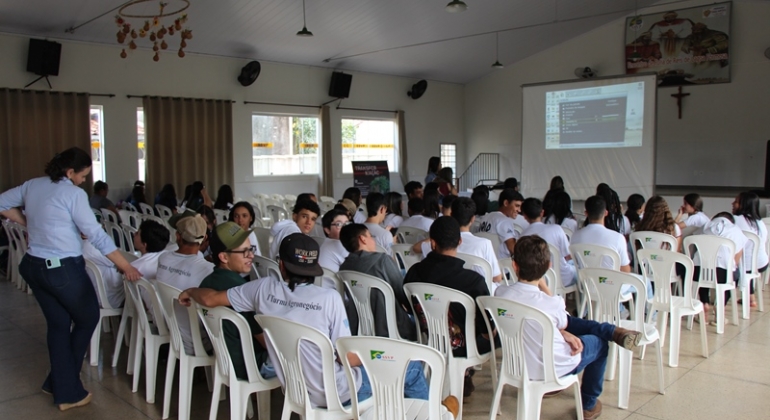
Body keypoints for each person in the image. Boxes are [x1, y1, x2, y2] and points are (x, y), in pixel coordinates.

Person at [178, 233, 433, 409]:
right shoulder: (328, 299)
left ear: (280, 264)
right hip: (338, 391)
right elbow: (346, 357)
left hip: (295, 387)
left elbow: (210, 299)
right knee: (410, 367)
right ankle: (430, 412)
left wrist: (190, 292)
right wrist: (383, 351)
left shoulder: (262, 289)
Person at [0, 147, 141, 411]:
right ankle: (67, 391)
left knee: (58, 324)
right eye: (83, 175)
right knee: (88, 317)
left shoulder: (33, 185)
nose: (84, 180)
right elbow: (97, 236)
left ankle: (57, 382)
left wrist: (28, 224)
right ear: (70, 172)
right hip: (62, 269)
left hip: (33, 267)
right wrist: (125, 266)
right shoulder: (73, 194)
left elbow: (2, 203)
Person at [495, 235, 642, 420]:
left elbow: (555, 320)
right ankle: (589, 403)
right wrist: (543, 285)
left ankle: (613, 331)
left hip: (517, 365)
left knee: (571, 323)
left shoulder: (499, 294)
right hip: (554, 367)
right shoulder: (551, 303)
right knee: (600, 344)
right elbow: (559, 316)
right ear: (548, 267)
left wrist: (562, 331)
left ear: (514, 265)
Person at [404, 216, 492, 397]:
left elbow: (407, 306)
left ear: (432, 243)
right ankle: (465, 372)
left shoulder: (415, 272)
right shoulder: (473, 280)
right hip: (463, 346)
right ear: (460, 241)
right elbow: (486, 330)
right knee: (495, 334)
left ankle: (462, 374)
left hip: (427, 339)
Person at [199, 221, 269, 379]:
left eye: (251, 249)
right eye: (244, 252)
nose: (251, 255)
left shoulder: (205, 284)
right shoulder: (241, 293)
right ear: (224, 257)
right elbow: (266, 343)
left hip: (224, 361)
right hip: (250, 365)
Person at [339, 224, 416, 341]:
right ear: (362, 239)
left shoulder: (344, 268)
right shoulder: (382, 261)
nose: (373, 240)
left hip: (359, 327)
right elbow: (402, 294)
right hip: (391, 327)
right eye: (370, 236)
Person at [155, 214, 214, 355]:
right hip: (196, 341)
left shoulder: (163, 258)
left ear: (178, 236)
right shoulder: (208, 269)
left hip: (169, 329)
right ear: (204, 239)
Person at [416, 197, 502, 284]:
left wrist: (438, 234)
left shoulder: (440, 242)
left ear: (452, 215)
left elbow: (416, 248)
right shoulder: (485, 244)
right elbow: (497, 278)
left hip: (444, 290)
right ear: (473, 219)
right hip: (476, 292)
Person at [691, 213, 746, 321]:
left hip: (699, 272)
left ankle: (704, 303)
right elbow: (736, 259)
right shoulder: (736, 230)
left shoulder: (705, 226)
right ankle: (720, 305)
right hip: (723, 274)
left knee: (703, 275)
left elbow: (694, 247)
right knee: (734, 275)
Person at [520, 198, 576, 287]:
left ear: (524, 216)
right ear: (542, 212)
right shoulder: (556, 229)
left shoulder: (522, 237)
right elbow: (568, 255)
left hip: (535, 280)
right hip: (562, 278)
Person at [571, 196, 631, 273]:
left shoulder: (575, 236)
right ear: (606, 213)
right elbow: (625, 270)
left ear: (586, 213)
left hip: (585, 283)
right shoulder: (618, 238)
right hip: (612, 283)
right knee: (646, 283)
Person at [731, 192, 768, 308]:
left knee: (729, 265)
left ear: (743, 205)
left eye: (736, 202)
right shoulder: (760, 222)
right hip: (762, 263)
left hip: (746, 266)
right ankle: (751, 298)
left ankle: (720, 299)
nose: (732, 203)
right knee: (746, 262)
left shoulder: (736, 220)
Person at [476, 188, 524, 259]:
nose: (519, 210)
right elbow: (513, 249)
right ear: (506, 203)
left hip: (485, 262)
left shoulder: (485, 218)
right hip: (502, 265)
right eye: (517, 206)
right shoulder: (504, 221)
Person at [318, 208, 350, 273]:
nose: (345, 228)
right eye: (338, 224)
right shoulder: (339, 244)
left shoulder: (326, 242)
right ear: (327, 230)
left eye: (347, 224)